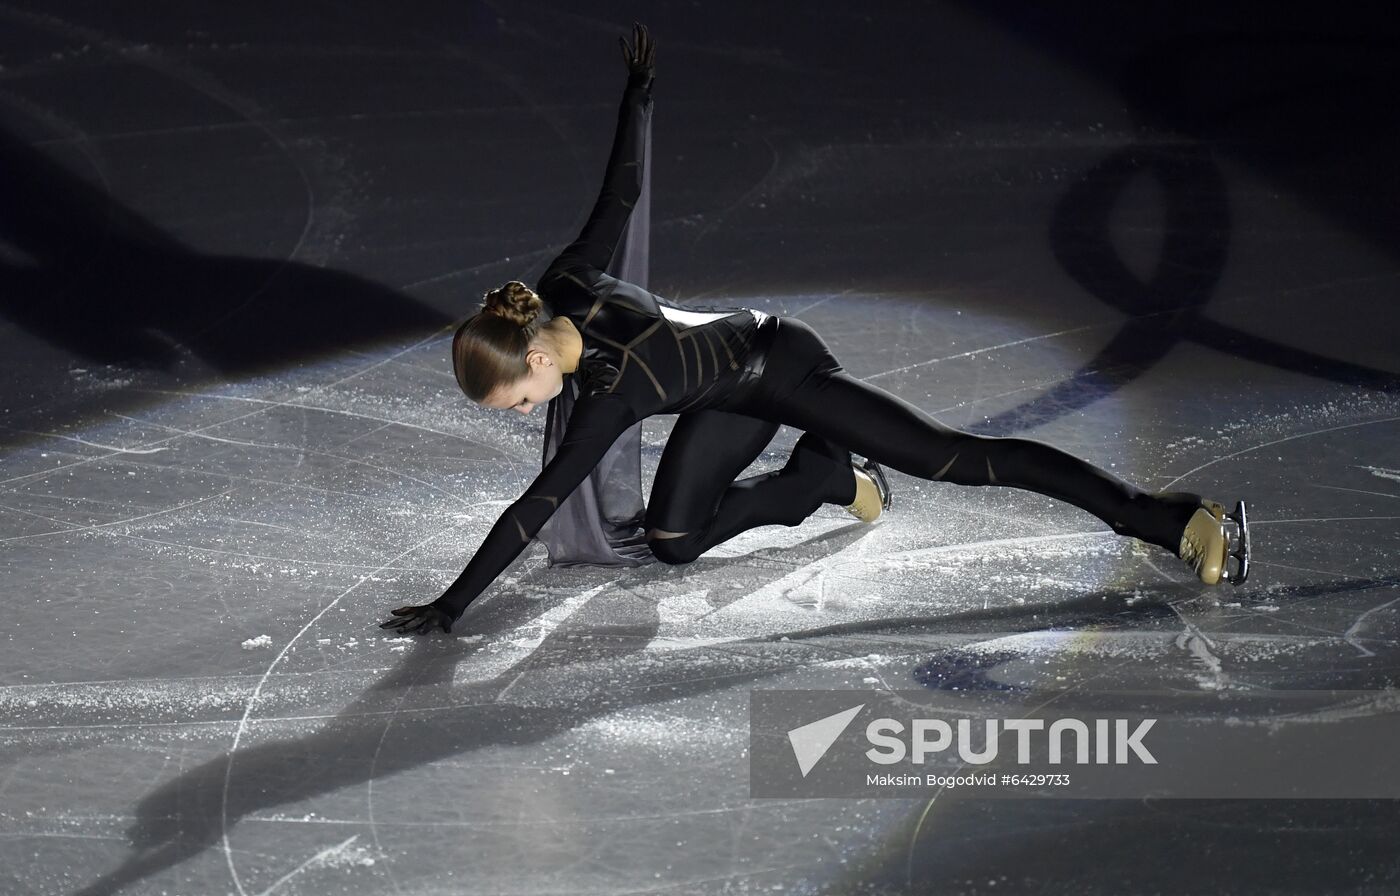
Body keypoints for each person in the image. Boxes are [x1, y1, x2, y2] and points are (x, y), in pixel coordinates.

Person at [381, 23, 1249, 636]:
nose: (518, 413)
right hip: (722, 398)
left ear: (535, 354)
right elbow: (619, 198)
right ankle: (822, 484)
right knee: (673, 543)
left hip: (777, 363)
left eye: (513, 398)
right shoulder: (560, 286)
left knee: (952, 458)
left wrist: (454, 607)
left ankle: (1162, 519)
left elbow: (536, 506)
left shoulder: (614, 389)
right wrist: (637, 98)